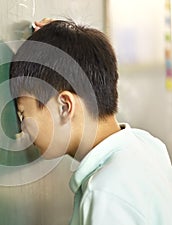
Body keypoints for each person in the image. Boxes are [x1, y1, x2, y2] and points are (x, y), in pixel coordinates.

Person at [9, 19, 172, 225]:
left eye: (24, 114)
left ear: (65, 107)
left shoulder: (106, 194)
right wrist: (62, 44)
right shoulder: (148, 145)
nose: (23, 127)